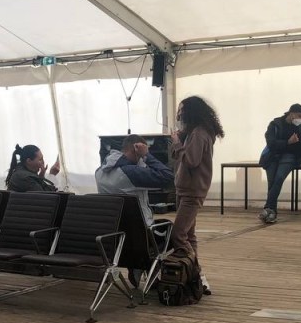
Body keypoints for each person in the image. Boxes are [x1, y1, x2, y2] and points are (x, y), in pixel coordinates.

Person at [170, 95, 224, 294]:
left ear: (191, 112)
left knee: (178, 234)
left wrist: (177, 143)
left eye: (181, 111)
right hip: (186, 188)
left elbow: (191, 160)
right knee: (189, 235)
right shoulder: (196, 132)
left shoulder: (200, 133)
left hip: (192, 191)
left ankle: (196, 273)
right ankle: (197, 278)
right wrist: (181, 139)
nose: (179, 115)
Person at [95, 135, 174, 227]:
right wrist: (146, 155)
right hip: (139, 228)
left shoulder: (99, 172)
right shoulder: (130, 173)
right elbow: (168, 177)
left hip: (112, 228)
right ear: (136, 151)